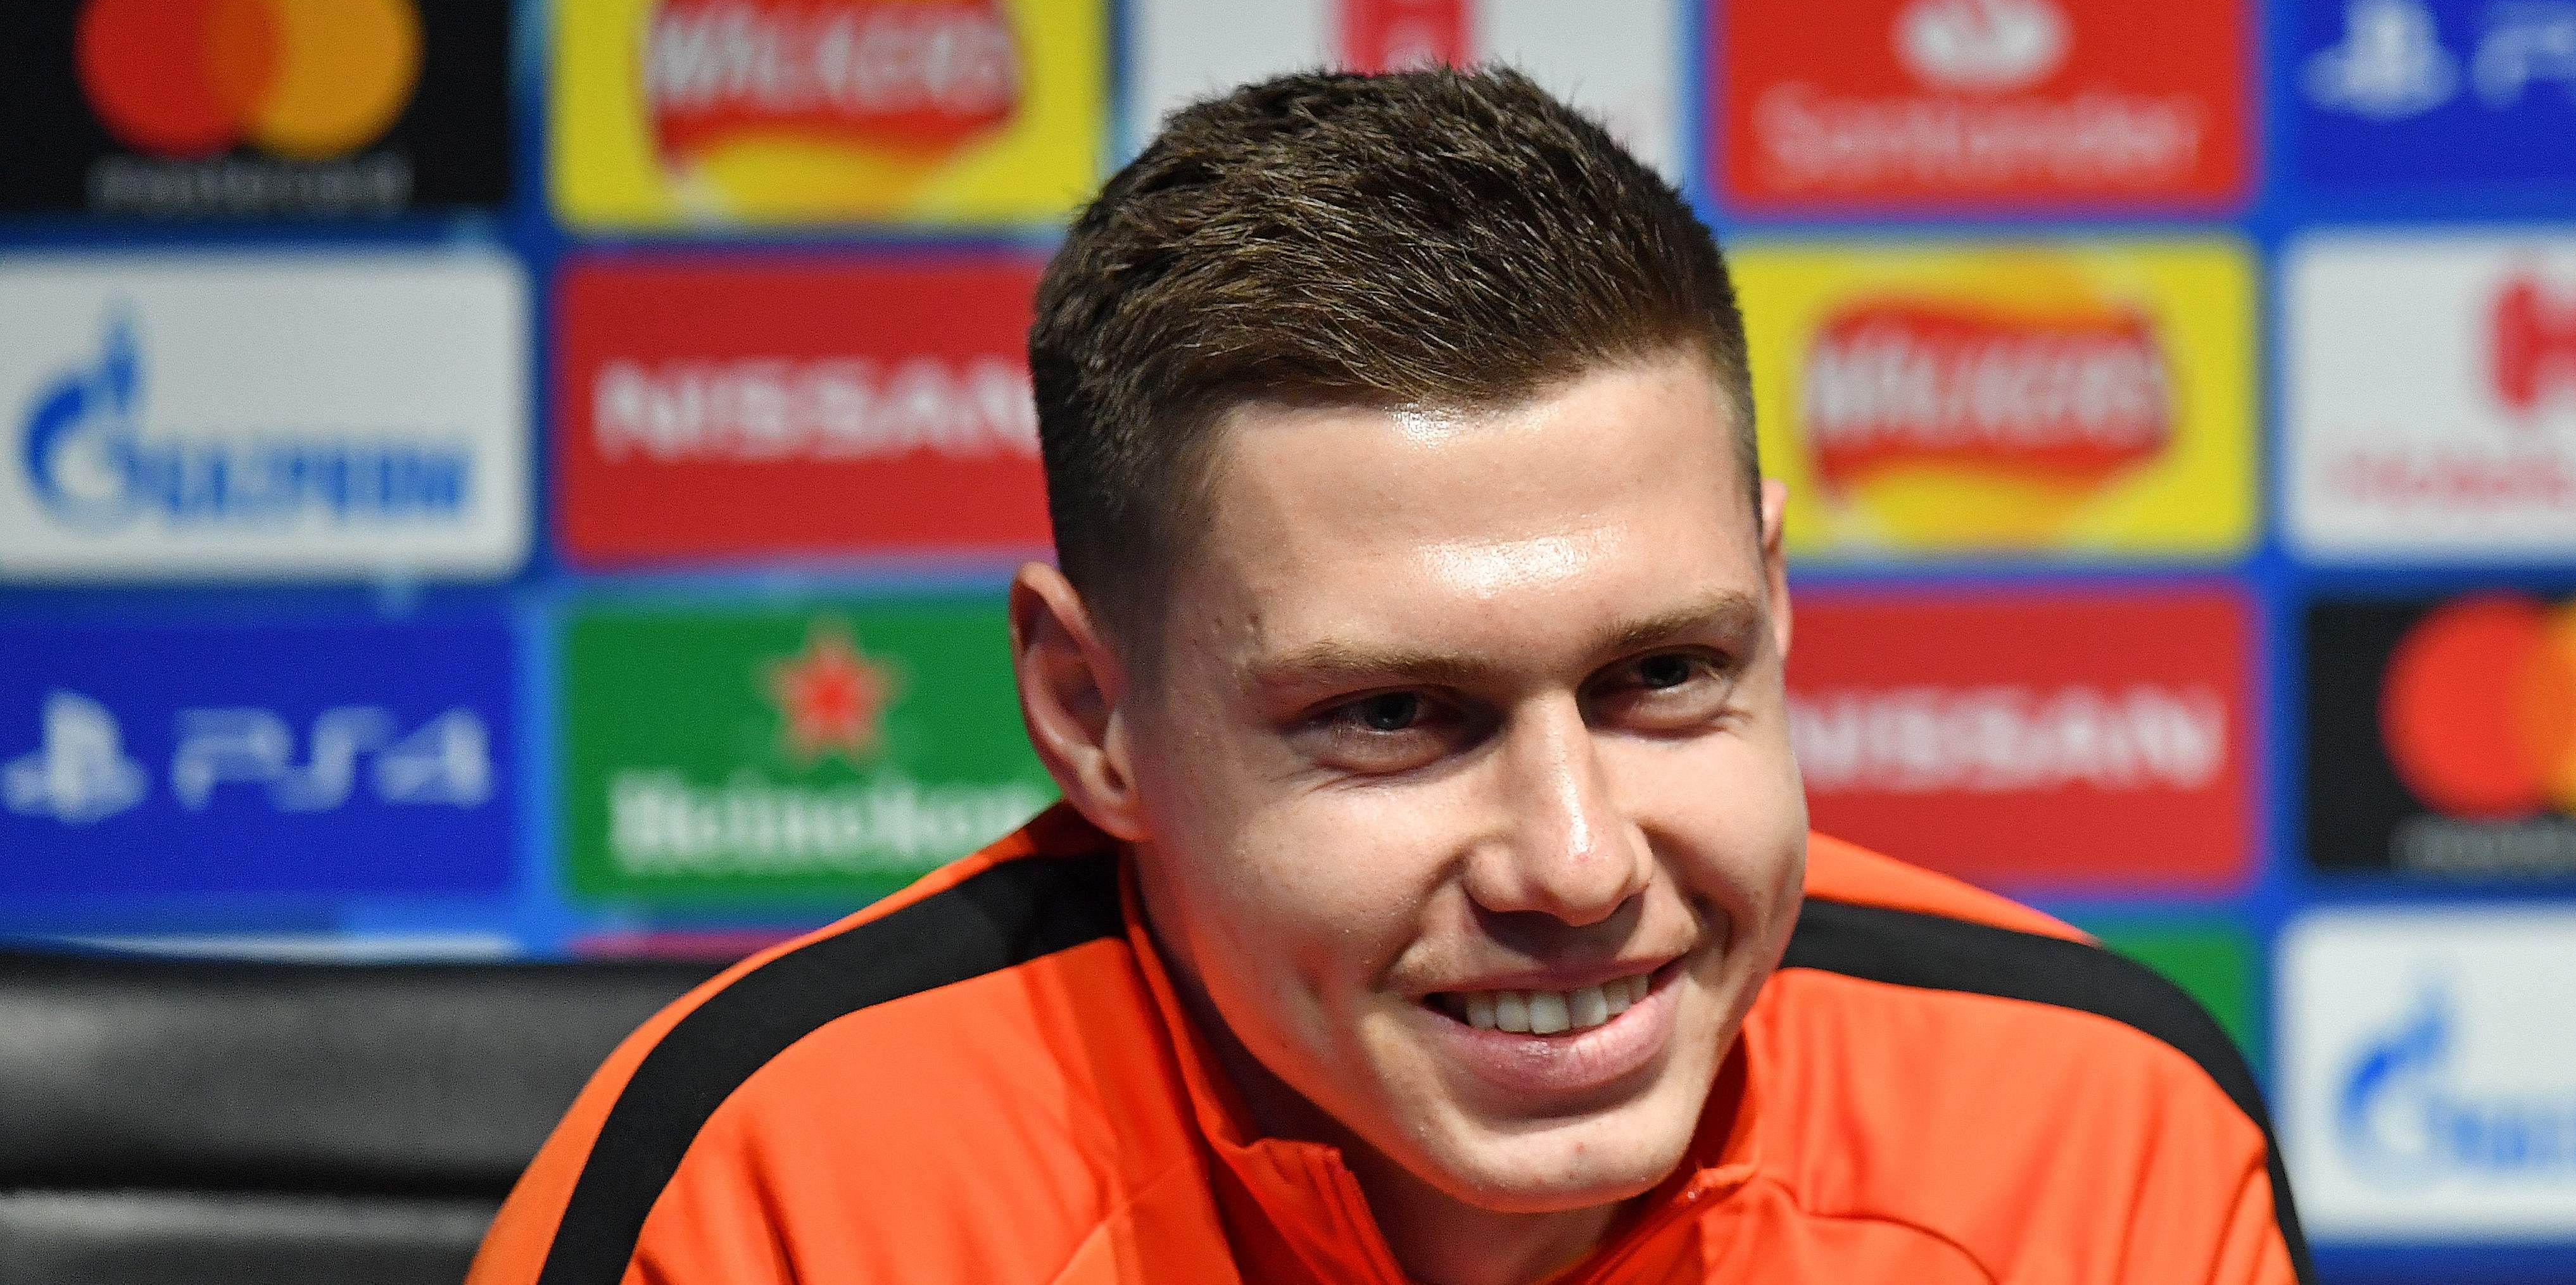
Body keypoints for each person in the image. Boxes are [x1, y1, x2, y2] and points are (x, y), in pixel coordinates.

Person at [474, 66, 2307, 1285]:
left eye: (1664, 672)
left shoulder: (2099, 1138)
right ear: (1092, 716)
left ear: (1771, 600)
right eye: (1390, 716)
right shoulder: (771, 1194)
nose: (1577, 864)